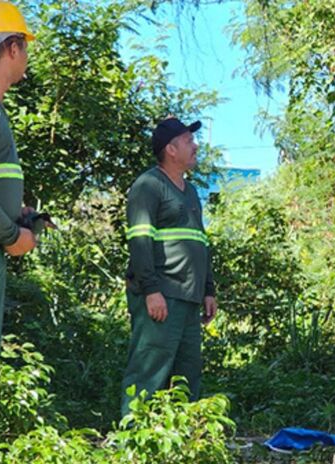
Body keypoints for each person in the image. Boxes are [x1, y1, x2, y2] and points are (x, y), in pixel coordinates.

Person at [120, 117, 218, 417]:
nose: (196, 146)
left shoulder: (189, 191)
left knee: (187, 374)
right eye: (189, 141)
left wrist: (208, 290)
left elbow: (199, 240)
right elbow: (139, 239)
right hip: (162, 294)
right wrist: (151, 290)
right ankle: (132, 440)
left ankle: (183, 440)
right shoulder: (148, 185)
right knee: (148, 369)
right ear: (171, 149)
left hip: (189, 298)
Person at [0, 0, 37, 434]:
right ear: (12, 48)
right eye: (26, 47)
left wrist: (17, 213)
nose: (27, 58)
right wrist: (11, 234)